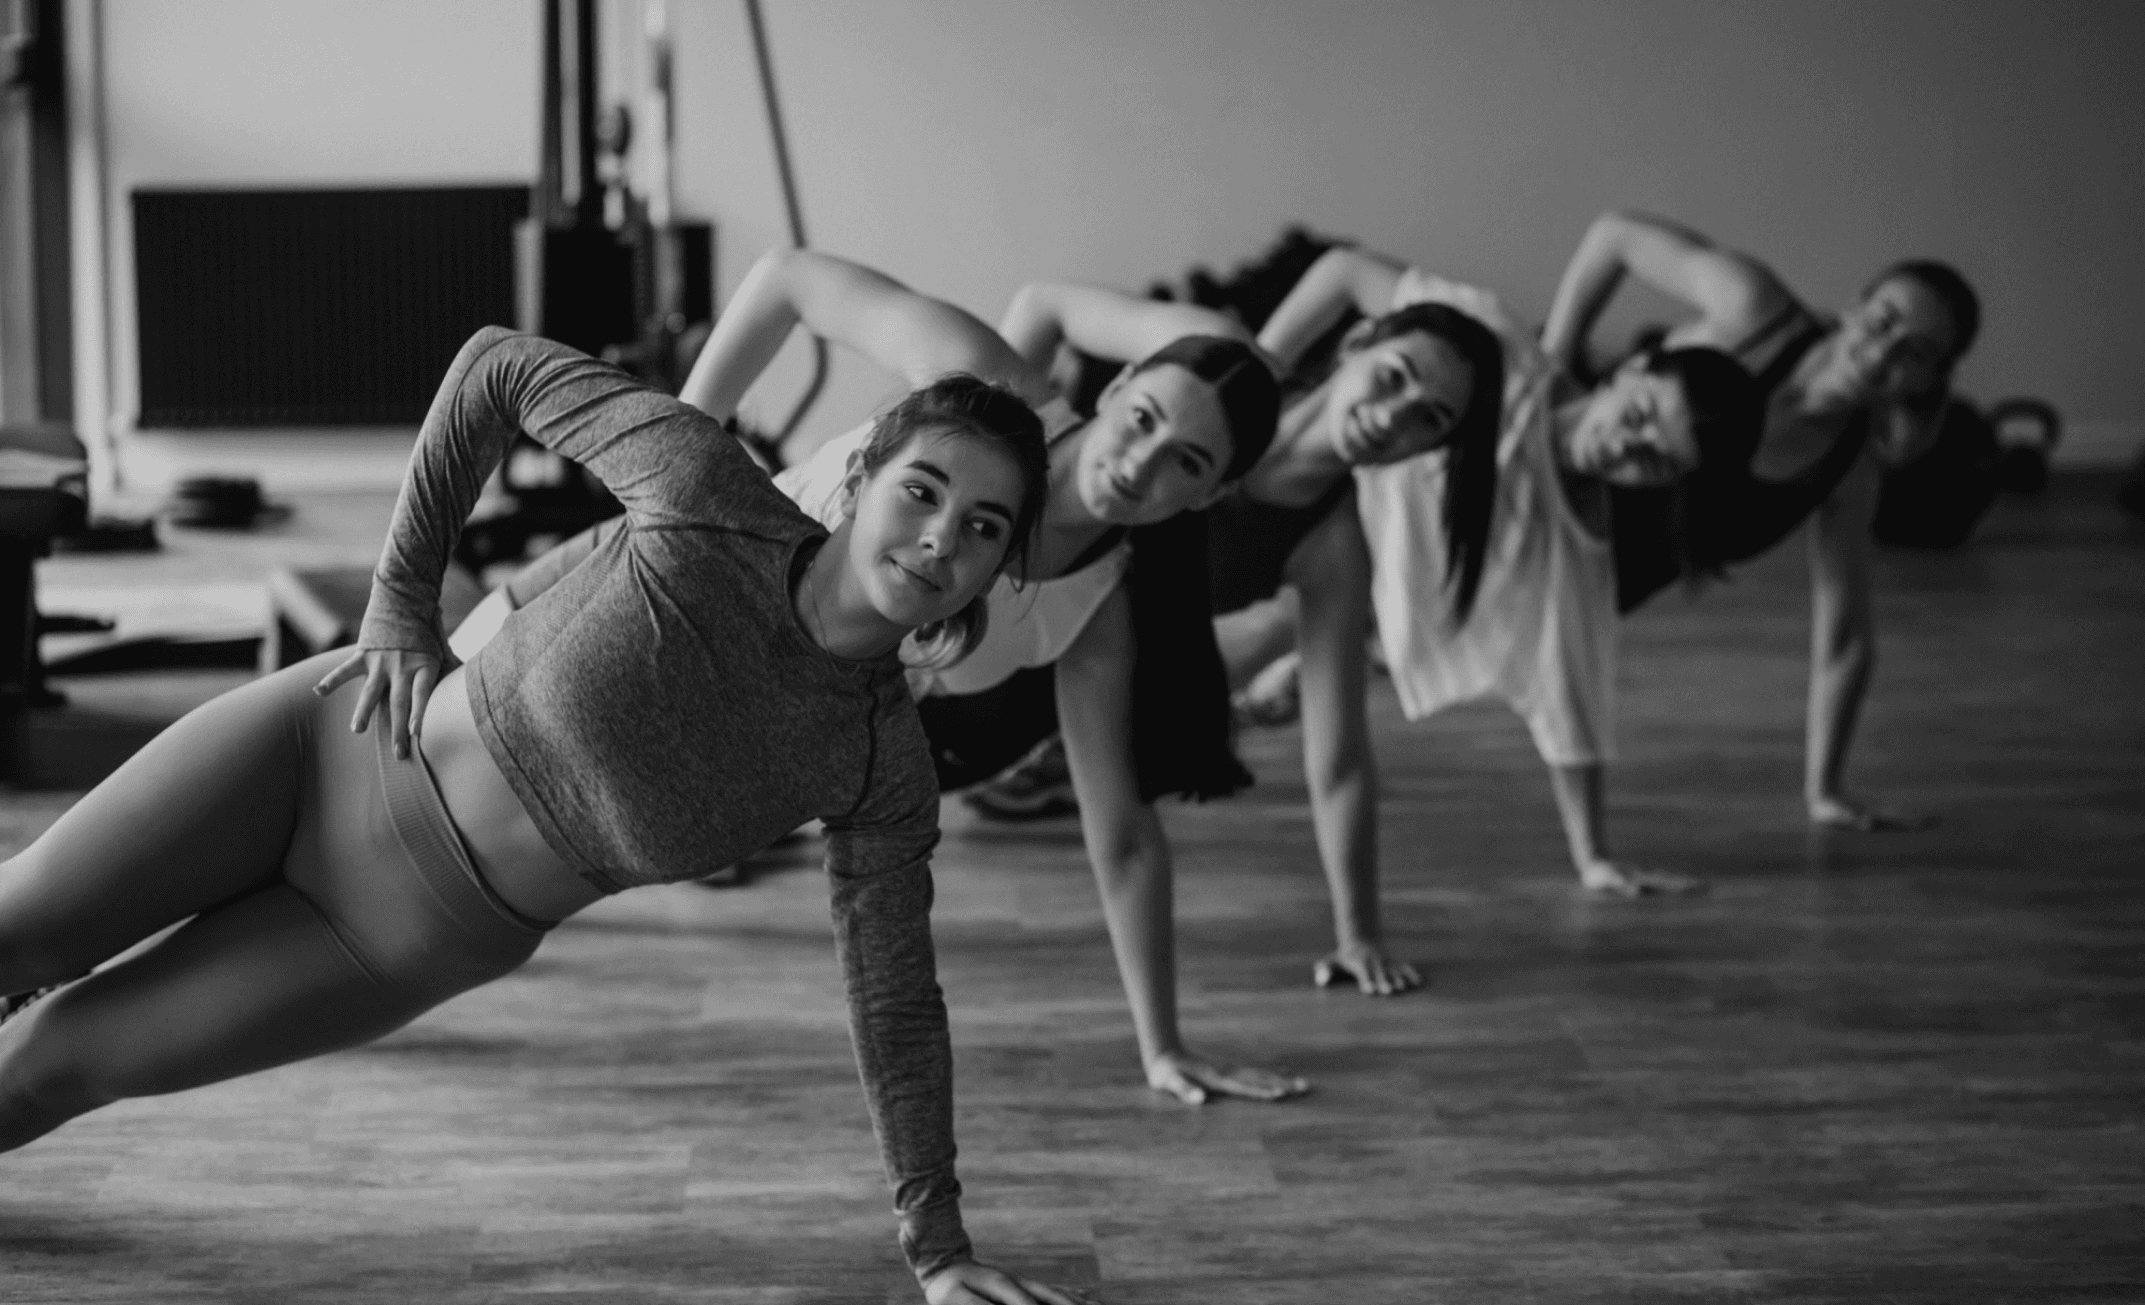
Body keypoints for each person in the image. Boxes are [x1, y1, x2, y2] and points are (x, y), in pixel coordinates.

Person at [0, 328, 1090, 1305]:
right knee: (19, 926)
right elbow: (496, 367)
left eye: (981, 527)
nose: (939, 539)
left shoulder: (878, 762)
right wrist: (400, 599)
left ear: (997, 568)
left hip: (386, 938)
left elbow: (895, 1003)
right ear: (861, 476)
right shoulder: (710, 491)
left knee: (54, 1060)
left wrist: (937, 1246)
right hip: (319, 751)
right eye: (922, 491)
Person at [470, 249, 1307, 1108]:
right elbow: (787, 278)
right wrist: (665, 458)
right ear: (1120, 381)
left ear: (1208, 496)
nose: (1141, 464)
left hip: (708, 745)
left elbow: (1123, 838)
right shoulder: (986, 386)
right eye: (1143, 419)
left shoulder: (1097, 610)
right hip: (632, 604)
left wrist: (1162, 1045)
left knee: (480, 905)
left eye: (1186, 462)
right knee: (414, 725)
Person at [972, 245, 1763, 993]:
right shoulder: (1215, 377)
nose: (1392, 417)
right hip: (983, 565)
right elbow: (1042, 307)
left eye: (1426, 420)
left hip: (1066, 661)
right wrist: (970, 449)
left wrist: (1357, 933)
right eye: (1391, 377)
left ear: (1426, 452)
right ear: (1356, 344)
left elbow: (1340, 758)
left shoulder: (1333, 548)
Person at [1540, 210, 1981, 830]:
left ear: (1931, 379)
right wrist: (1549, 370)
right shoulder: (1753, 312)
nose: (1883, 352)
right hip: (1534, 486)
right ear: (1855, 307)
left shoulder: (1848, 470)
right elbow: (1614, 235)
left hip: (1579, 591)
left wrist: (1825, 789)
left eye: (1915, 353)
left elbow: (1845, 637)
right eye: (1883, 321)